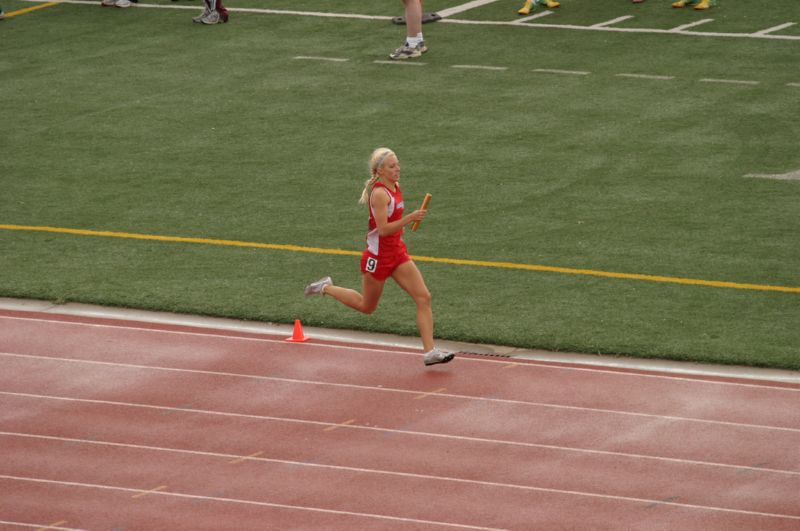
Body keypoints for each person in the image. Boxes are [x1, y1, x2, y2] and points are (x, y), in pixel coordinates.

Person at [304, 148, 454, 367]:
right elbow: (383, 230)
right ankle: (325, 287)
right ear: (380, 170)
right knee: (367, 307)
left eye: (398, 164)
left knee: (424, 297)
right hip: (378, 257)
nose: (397, 169)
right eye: (392, 166)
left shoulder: (396, 187)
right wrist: (411, 217)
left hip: (397, 253)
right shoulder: (380, 194)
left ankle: (430, 352)